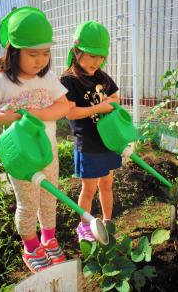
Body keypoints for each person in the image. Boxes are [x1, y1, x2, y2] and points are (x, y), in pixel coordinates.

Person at [0, 6, 69, 273]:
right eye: (33, 54)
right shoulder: (0, 82)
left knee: (50, 198)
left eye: (45, 53)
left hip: (47, 153)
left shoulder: (48, 79)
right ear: (13, 51)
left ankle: (48, 239)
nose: (40, 60)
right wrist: (4, 118)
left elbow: (64, 106)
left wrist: (37, 113)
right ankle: (30, 246)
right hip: (20, 159)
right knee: (28, 202)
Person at [60, 21, 122, 242]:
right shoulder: (68, 80)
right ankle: (84, 226)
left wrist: (112, 102)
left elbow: (116, 96)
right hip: (88, 145)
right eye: (92, 55)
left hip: (107, 141)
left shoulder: (101, 77)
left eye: (101, 56)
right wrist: (99, 107)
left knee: (107, 184)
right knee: (89, 189)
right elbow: (70, 113)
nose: (97, 62)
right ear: (77, 51)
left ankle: (107, 221)